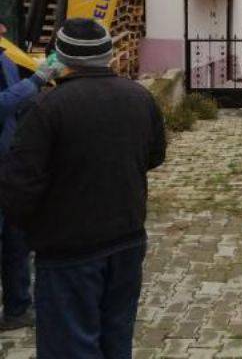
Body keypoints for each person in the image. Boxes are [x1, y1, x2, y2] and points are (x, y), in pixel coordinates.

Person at [0, 18, 166, 358]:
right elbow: (154, 155)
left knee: (70, 346)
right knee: (116, 340)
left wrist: (33, 231)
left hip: (68, 252)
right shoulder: (139, 96)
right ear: (108, 54)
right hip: (127, 241)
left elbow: (19, 184)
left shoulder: (46, 108)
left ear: (59, 57)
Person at [0, 22, 61, 330]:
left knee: (16, 241)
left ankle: (17, 307)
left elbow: (17, 107)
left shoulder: (5, 58)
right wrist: (36, 80)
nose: (3, 27)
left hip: (10, 166)